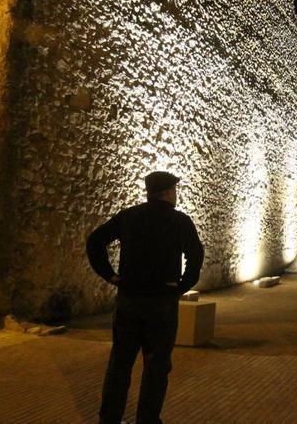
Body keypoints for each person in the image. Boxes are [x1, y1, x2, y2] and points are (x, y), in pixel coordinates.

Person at [86, 171, 204, 424]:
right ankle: (147, 420)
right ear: (169, 192)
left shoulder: (129, 217)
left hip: (129, 298)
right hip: (161, 301)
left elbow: (95, 241)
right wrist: (182, 286)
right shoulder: (179, 221)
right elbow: (195, 256)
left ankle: (109, 419)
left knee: (120, 363)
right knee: (157, 366)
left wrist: (110, 276)